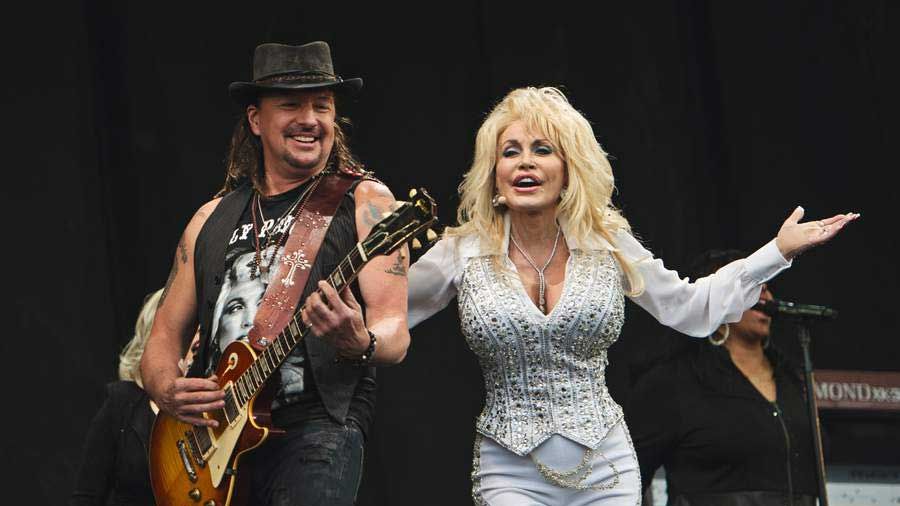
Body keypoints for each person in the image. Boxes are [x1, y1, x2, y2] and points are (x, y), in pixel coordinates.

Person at [407, 87, 857, 505]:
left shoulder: (606, 241)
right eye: (511, 152)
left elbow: (690, 308)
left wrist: (776, 252)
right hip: (509, 468)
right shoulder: (464, 250)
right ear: (494, 171)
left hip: (605, 467)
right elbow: (387, 314)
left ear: (568, 170)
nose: (525, 163)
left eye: (542, 150)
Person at [140, 41, 410, 505]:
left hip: (318, 429)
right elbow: (162, 340)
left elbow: (394, 328)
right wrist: (168, 390)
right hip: (212, 444)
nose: (310, 119)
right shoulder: (209, 219)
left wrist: (361, 340)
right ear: (255, 120)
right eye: (291, 104)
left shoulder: (368, 202)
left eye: (322, 106)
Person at [626, 250, 820, 506]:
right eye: (751, 286)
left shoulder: (792, 378)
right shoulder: (674, 381)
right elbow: (628, 477)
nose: (764, 293)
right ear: (712, 301)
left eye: (766, 286)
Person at [70, 289, 200, 506]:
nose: (197, 338)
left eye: (201, 328)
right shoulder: (122, 403)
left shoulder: (214, 402)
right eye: (189, 329)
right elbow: (86, 496)